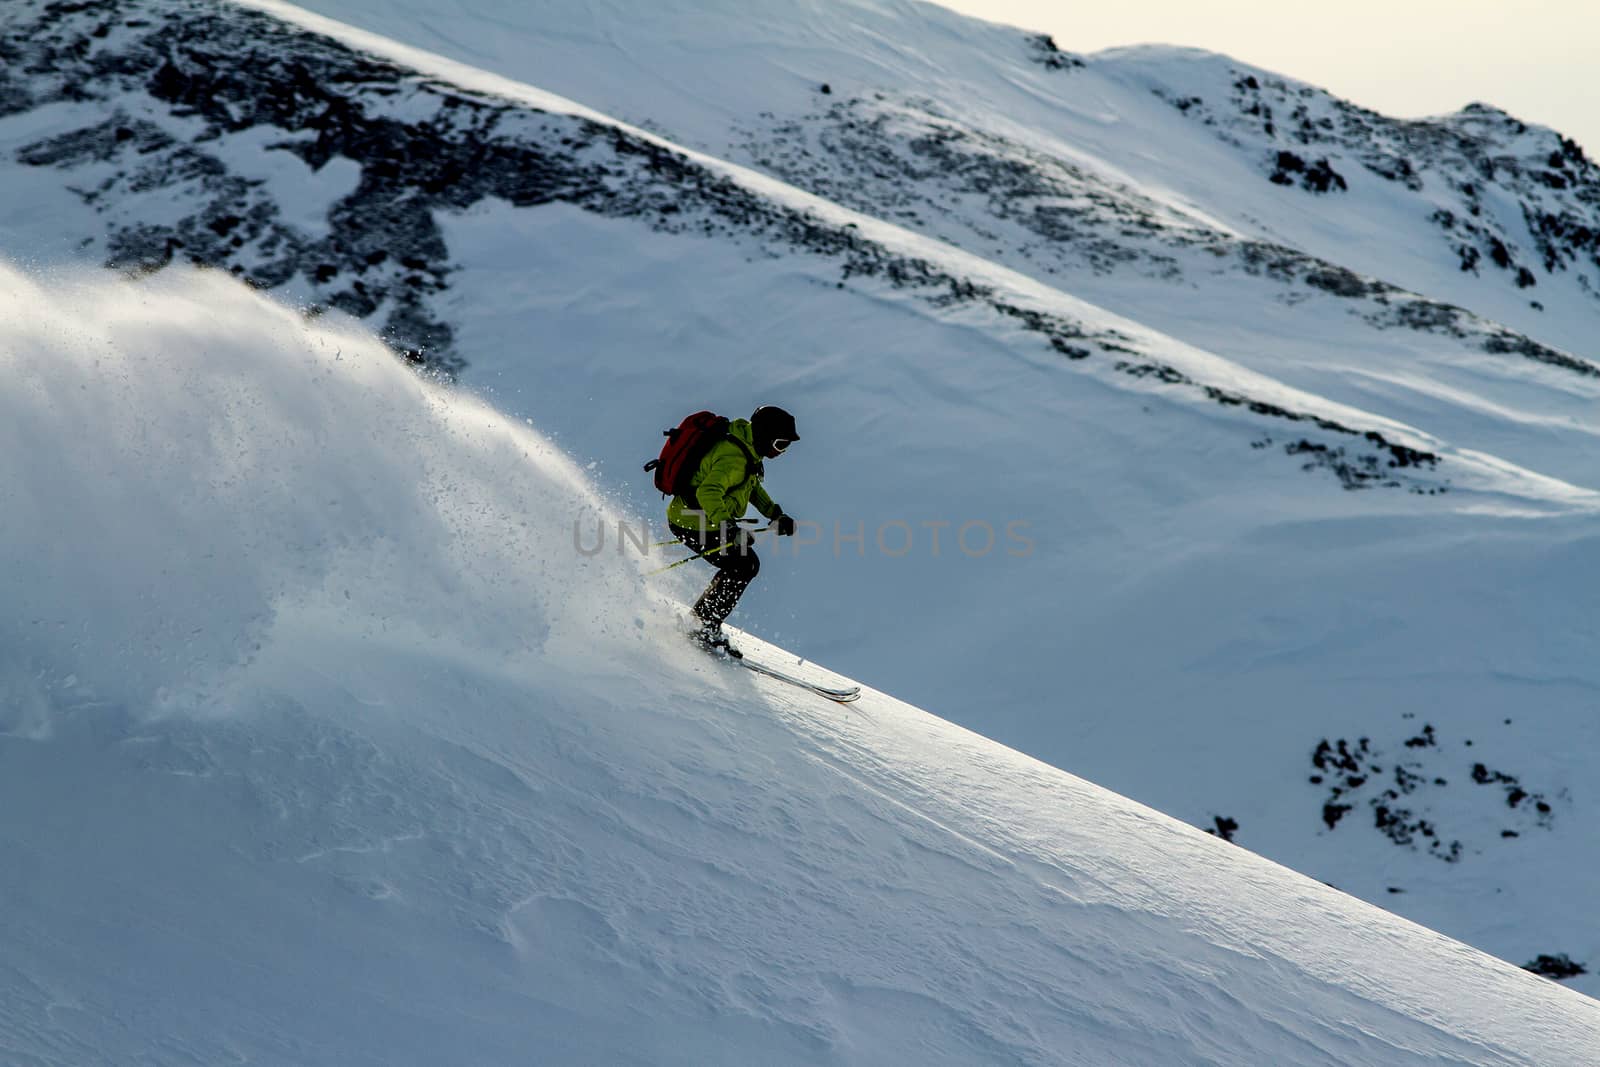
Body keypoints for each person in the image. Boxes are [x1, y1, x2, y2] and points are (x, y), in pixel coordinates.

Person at [668, 405, 800, 655]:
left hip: (705, 519)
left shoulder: (747, 451)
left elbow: (750, 487)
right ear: (765, 435)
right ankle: (702, 625)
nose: (782, 452)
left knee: (743, 562)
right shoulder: (734, 457)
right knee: (743, 564)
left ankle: (702, 622)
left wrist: (774, 513)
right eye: (781, 444)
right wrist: (729, 528)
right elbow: (707, 492)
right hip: (691, 521)